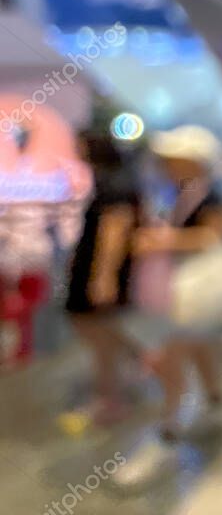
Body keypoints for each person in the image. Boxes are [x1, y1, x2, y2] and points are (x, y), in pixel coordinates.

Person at [114, 125, 222, 488]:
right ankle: (217, 404)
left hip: (193, 293)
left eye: (173, 160)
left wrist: (165, 240)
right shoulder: (183, 193)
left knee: (171, 365)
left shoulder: (209, 194)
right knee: (199, 350)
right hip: (184, 292)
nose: (166, 166)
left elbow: (215, 235)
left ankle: (165, 438)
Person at [63, 133, 141, 427]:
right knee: (101, 333)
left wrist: (103, 275)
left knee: (100, 338)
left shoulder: (112, 184)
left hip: (98, 271)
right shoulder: (109, 180)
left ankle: (111, 400)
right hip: (94, 268)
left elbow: (114, 230)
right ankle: (133, 367)